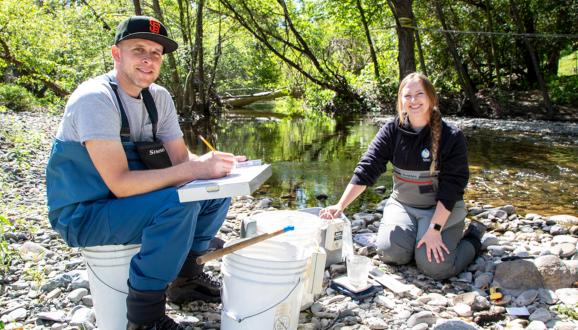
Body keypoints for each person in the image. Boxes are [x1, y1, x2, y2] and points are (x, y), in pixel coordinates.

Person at [46, 16, 245, 329]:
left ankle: (186, 279)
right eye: (138, 50)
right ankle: (145, 318)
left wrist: (215, 166)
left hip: (125, 203)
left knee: (214, 192)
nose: (148, 60)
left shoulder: (159, 97)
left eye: (156, 53)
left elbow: (181, 161)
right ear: (116, 54)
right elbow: (122, 184)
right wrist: (194, 168)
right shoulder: (95, 99)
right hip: (86, 212)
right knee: (179, 203)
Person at [320, 72, 485, 280]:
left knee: (436, 267)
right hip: (403, 206)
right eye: (407, 96)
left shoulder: (452, 136)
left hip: (440, 209)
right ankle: (416, 239)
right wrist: (340, 206)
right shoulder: (391, 131)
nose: (413, 101)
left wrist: (434, 229)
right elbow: (367, 168)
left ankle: (473, 237)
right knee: (391, 253)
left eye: (419, 94)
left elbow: (452, 188)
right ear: (400, 100)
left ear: (431, 98)